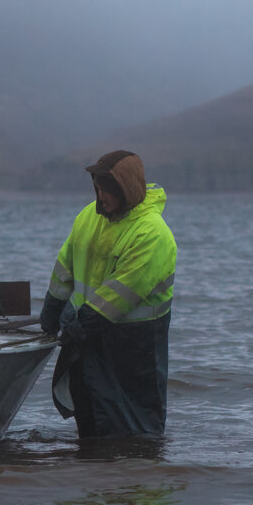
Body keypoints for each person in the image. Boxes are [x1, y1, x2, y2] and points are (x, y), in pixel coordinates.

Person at [40, 150, 177, 438]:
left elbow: (123, 291)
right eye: (98, 188)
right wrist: (52, 310)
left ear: (126, 189)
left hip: (133, 348)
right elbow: (66, 264)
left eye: (107, 190)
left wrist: (80, 324)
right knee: (90, 426)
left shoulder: (152, 233)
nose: (100, 196)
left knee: (137, 433)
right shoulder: (89, 216)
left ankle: (133, 480)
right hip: (87, 340)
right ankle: (96, 476)